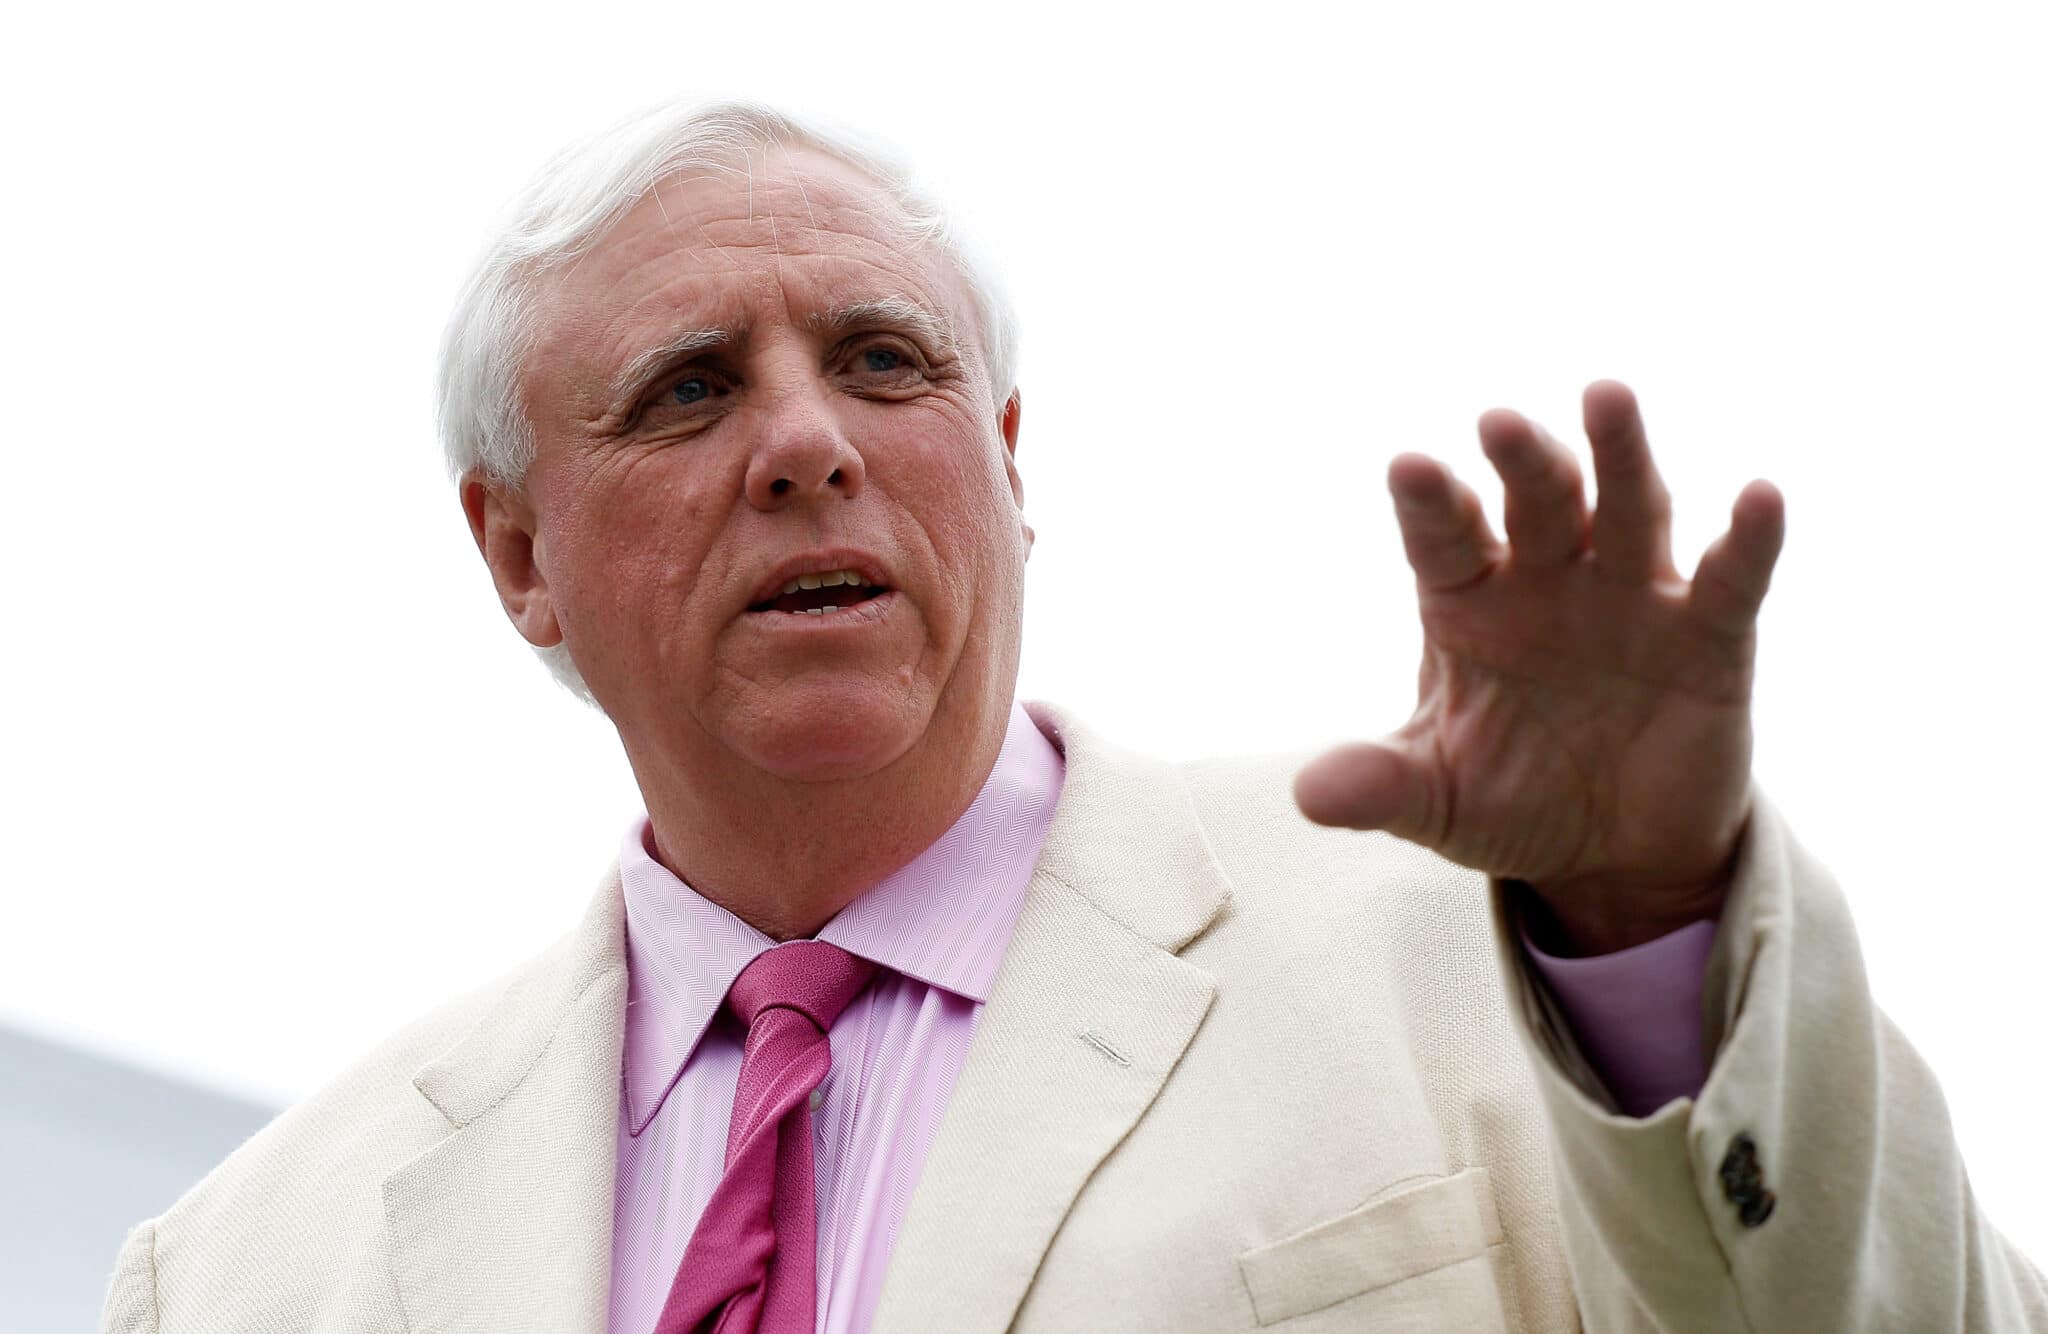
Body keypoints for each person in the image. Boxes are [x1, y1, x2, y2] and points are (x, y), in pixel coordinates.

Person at [101, 98, 2046, 1334]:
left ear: (1006, 460)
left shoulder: (1482, 947)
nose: (803, 443)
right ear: (515, 552)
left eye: (883, 361)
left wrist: (1648, 925)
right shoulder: (251, 1268)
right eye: (690, 390)